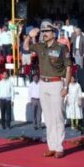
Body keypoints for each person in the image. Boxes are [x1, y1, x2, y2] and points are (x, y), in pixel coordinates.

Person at [24, 20, 72, 158]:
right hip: (43, 83)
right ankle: (51, 146)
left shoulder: (62, 48)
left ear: (53, 33)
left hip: (56, 83)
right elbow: (26, 48)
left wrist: (66, 86)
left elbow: (68, 68)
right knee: (48, 118)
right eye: (42, 31)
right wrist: (29, 35)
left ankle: (59, 147)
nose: (44, 34)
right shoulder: (40, 46)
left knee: (58, 117)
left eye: (46, 31)